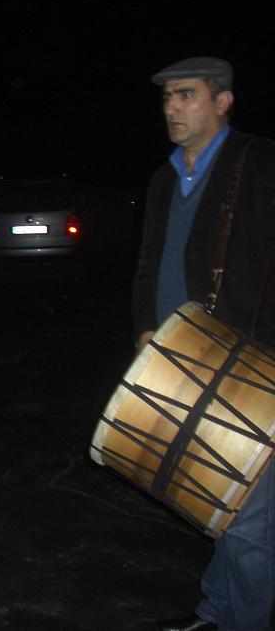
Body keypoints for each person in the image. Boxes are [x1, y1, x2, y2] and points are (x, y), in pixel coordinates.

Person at [133, 57, 275, 631]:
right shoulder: (163, 179)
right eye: (167, 96)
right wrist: (146, 328)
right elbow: (149, 263)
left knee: (249, 518)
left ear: (223, 101)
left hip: (248, 366)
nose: (171, 107)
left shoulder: (259, 162)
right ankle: (218, 607)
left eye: (186, 95)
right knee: (216, 499)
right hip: (181, 359)